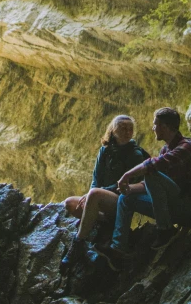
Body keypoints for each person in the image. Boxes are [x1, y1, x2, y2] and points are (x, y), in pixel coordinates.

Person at [97, 107, 191, 271]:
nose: (153, 128)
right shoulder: (166, 149)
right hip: (172, 205)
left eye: (155, 124)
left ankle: (165, 230)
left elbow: (152, 168)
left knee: (150, 172)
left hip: (188, 207)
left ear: (164, 127)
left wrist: (126, 176)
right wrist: (129, 190)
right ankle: (118, 248)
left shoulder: (186, 148)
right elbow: (154, 185)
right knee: (126, 199)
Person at [61, 114, 146, 272]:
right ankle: (103, 223)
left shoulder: (135, 154)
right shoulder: (105, 150)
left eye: (130, 129)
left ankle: (78, 243)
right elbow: (96, 177)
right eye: (123, 128)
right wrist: (89, 196)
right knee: (70, 204)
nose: (128, 132)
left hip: (121, 200)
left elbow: (125, 185)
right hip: (100, 198)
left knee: (94, 194)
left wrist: (94, 193)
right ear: (113, 130)